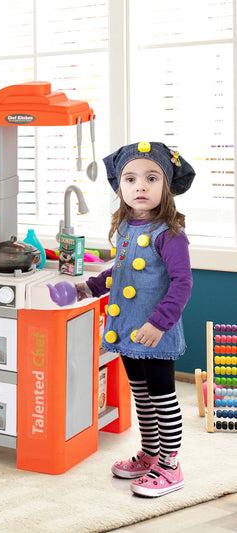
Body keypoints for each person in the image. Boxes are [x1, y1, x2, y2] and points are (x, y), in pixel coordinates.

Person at [77, 141, 195, 497]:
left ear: (167, 186)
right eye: (130, 179)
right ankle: (150, 454)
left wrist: (158, 323)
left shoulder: (170, 234)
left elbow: (183, 283)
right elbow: (122, 271)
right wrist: (91, 287)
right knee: (141, 395)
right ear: (120, 186)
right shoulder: (127, 228)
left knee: (163, 397)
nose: (140, 186)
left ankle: (171, 466)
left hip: (155, 331)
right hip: (127, 328)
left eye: (151, 178)